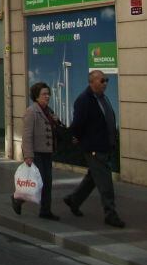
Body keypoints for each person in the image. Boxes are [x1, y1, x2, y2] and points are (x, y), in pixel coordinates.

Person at [64, 70, 125, 228]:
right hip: (94, 148)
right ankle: (110, 214)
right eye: (102, 81)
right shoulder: (84, 100)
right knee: (105, 182)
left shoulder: (103, 98)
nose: (105, 83)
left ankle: (74, 200)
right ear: (91, 82)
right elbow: (78, 124)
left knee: (93, 177)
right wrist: (77, 138)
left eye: (106, 80)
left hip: (106, 145)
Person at [11, 82, 61, 220]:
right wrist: (28, 155)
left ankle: (45, 211)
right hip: (37, 153)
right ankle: (18, 199)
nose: (47, 96)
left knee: (47, 182)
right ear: (36, 96)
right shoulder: (32, 111)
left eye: (48, 93)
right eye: (44, 94)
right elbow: (27, 135)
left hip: (47, 152)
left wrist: (56, 121)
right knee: (39, 182)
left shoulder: (49, 111)